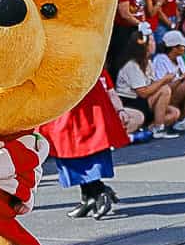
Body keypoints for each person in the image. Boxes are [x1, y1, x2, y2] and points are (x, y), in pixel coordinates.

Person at [40, 63, 130, 220]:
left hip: (79, 90)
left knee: (77, 144)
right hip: (61, 90)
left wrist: (119, 109)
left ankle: (98, 191)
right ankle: (89, 196)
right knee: (65, 145)